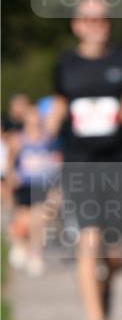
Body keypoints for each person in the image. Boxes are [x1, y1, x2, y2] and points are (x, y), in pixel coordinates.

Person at [49, 0, 122, 320]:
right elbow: (59, 104)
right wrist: (46, 126)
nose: (95, 25)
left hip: (118, 163)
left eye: (101, 19)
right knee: (88, 242)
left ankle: (107, 287)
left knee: (114, 254)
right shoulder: (65, 65)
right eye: (88, 19)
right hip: (80, 163)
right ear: (76, 24)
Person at [7, 103, 61, 276]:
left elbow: (55, 158)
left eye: (37, 116)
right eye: (32, 116)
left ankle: (35, 255)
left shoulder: (48, 138)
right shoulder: (18, 139)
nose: (35, 120)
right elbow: (10, 160)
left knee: (39, 220)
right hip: (24, 184)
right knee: (24, 220)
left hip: (42, 184)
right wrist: (11, 176)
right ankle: (20, 245)